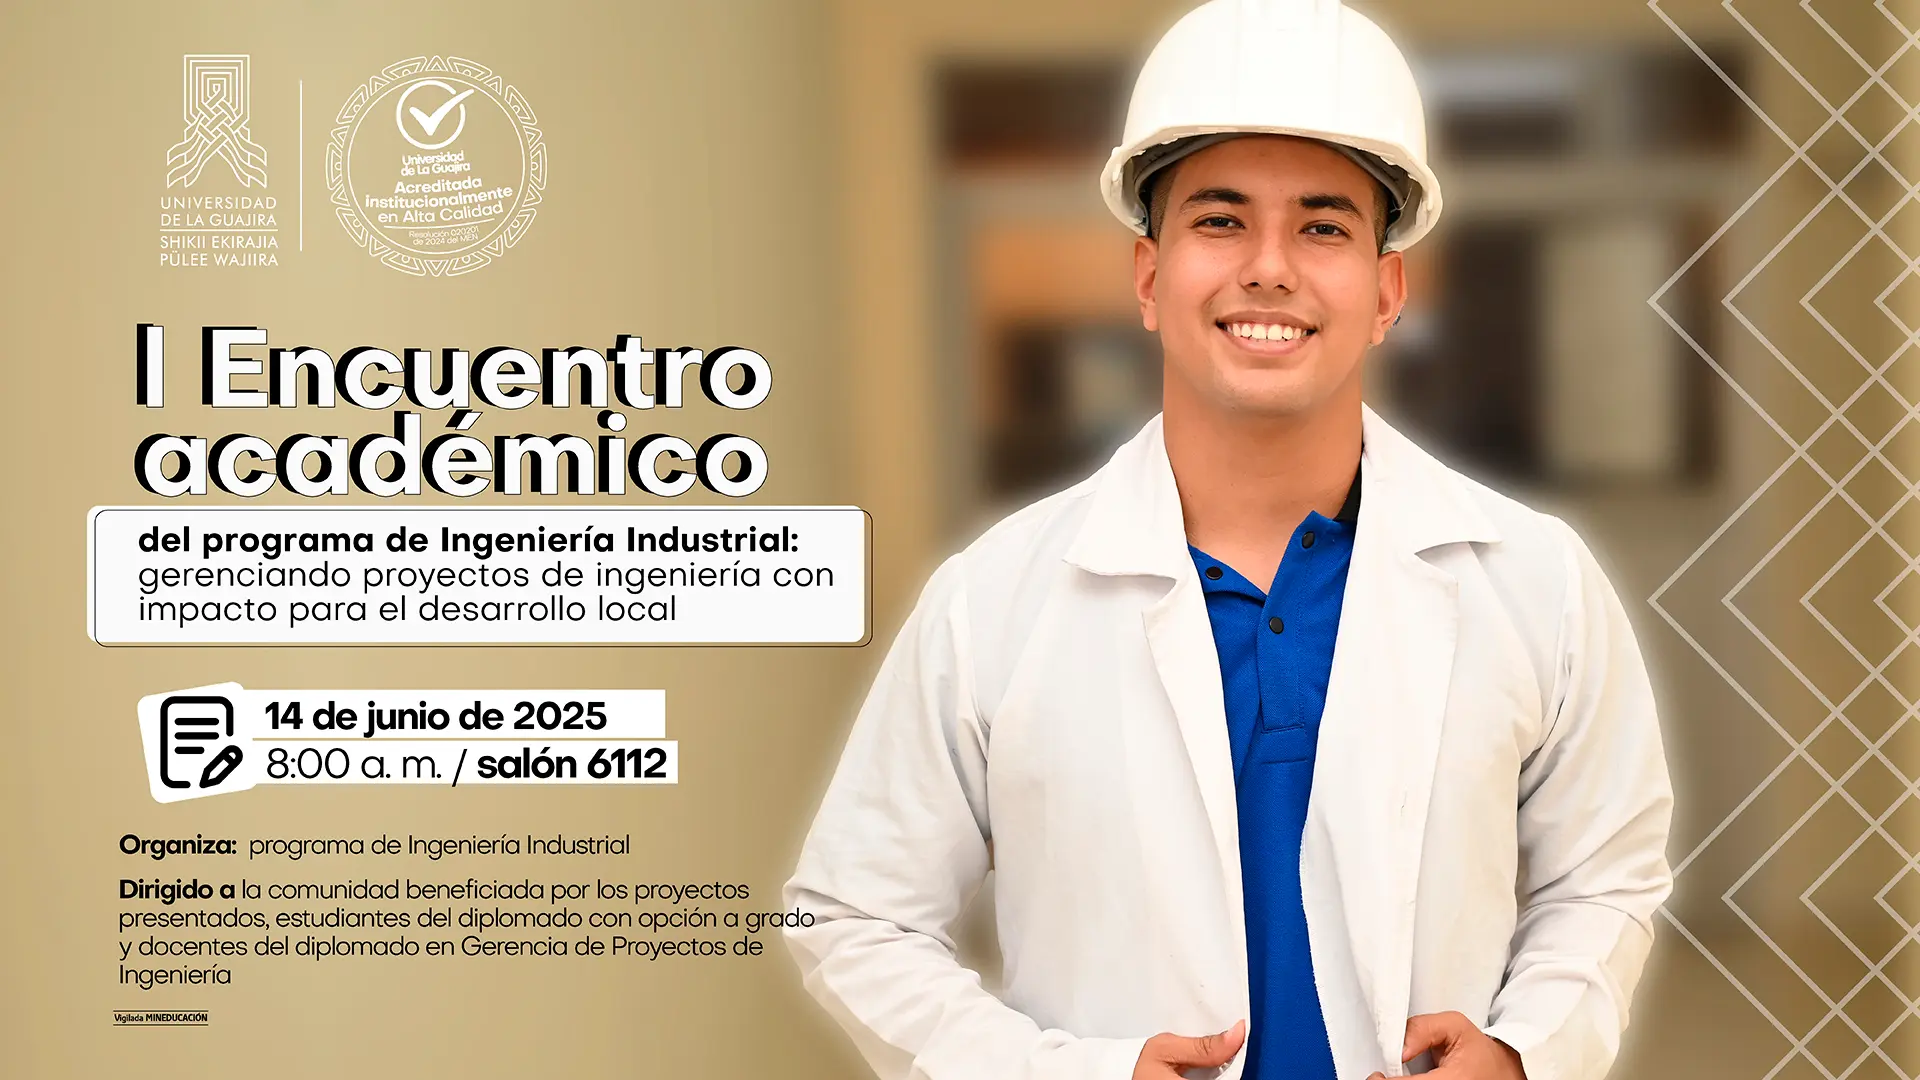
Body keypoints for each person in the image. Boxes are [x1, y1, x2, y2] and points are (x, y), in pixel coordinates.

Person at [782, 1, 1675, 1078]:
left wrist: (1526, 1052)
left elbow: (1606, 878)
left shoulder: (1536, 584)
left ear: (1387, 292)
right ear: (1150, 278)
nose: (1268, 267)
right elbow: (851, 913)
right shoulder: (995, 602)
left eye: (1323, 225)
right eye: (1218, 220)